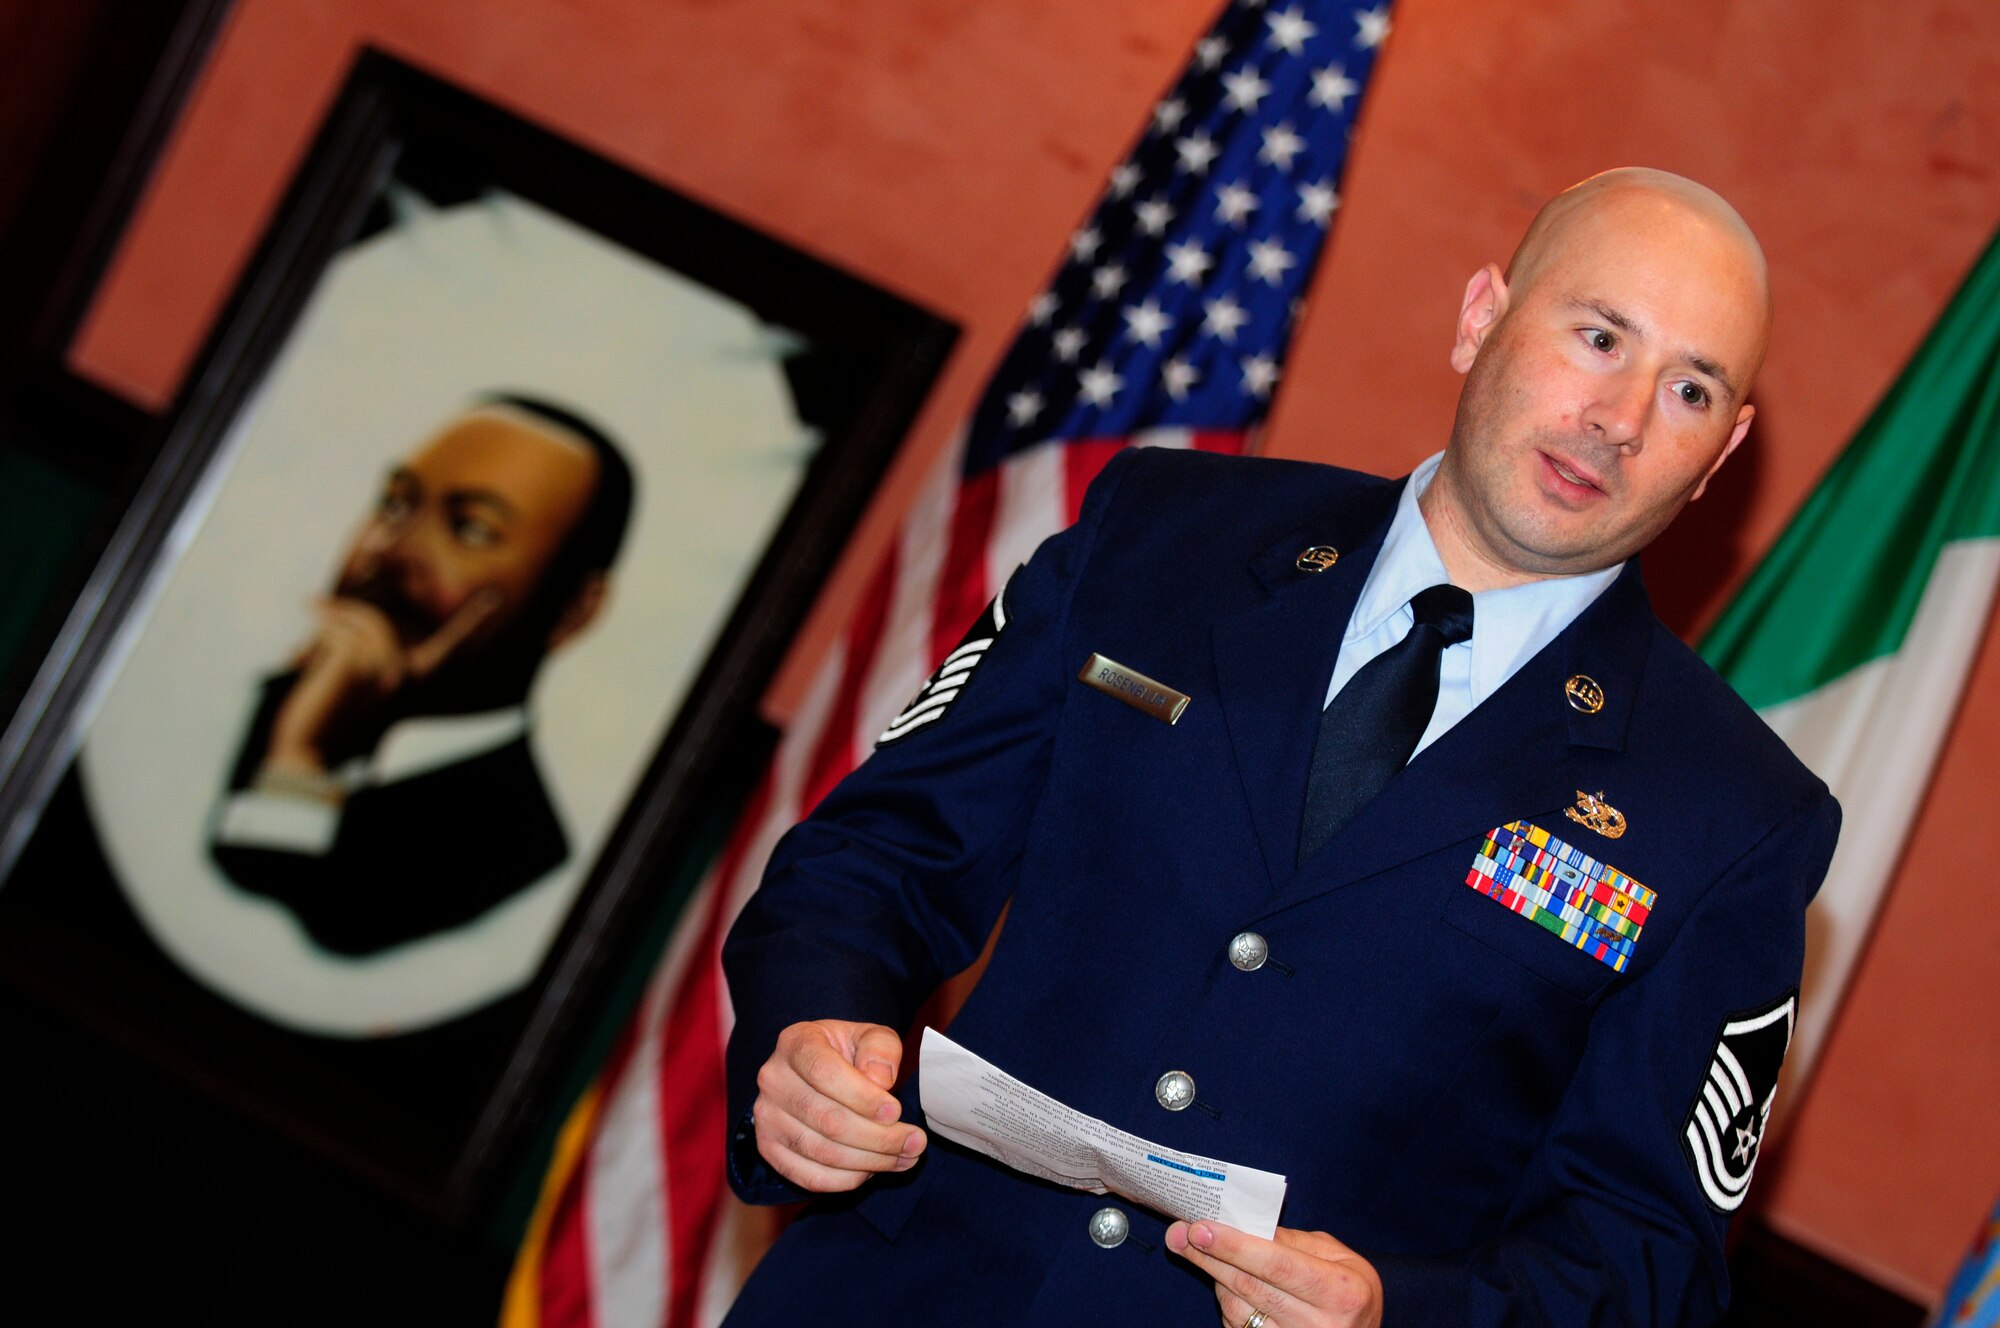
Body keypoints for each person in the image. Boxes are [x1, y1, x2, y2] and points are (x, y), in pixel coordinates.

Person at [719, 169, 1839, 1326]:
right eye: (1598, 336)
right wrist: (809, 1029)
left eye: (1689, 390)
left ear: (1721, 453)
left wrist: (1391, 1314)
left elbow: (1641, 1254)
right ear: (1479, 318)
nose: (1620, 418)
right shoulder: (1161, 535)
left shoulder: (1733, 815)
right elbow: (875, 859)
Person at [208, 395, 634, 956]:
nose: (393, 550)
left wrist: (298, 766)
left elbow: (304, 943)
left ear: (573, 611)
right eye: (394, 504)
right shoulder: (264, 708)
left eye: (472, 530)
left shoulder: (518, 841)